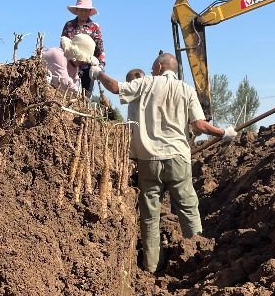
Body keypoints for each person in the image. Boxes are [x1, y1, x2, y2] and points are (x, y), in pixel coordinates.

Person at [91, 53, 236, 273]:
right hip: (177, 158)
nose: (150, 72)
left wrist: (97, 72)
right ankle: (197, 260)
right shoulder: (186, 89)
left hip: (148, 160)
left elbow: (114, 87)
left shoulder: (145, 84)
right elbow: (199, 125)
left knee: (150, 216)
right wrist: (223, 132)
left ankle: (151, 266)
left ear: (159, 67)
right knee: (188, 209)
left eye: (152, 68)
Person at [62, 0, 105, 94]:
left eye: (86, 10)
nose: (83, 13)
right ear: (77, 10)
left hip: (88, 66)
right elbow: (64, 44)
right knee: (69, 91)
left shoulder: (94, 26)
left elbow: (100, 48)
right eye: (81, 10)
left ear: (89, 12)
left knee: (86, 95)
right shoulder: (69, 25)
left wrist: (100, 65)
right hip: (70, 64)